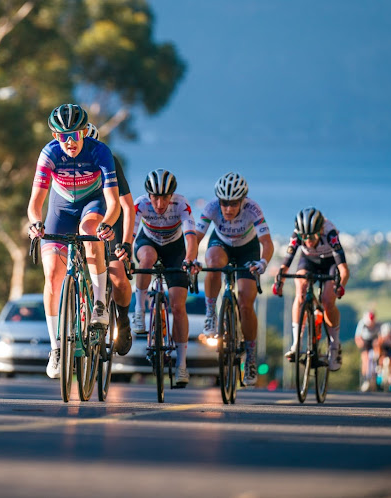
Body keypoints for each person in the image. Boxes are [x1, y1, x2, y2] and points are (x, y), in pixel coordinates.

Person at [27, 104, 120, 379]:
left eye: (75, 135)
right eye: (63, 136)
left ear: (84, 133)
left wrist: (107, 225)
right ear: (55, 136)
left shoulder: (99, 151)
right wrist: (35, 223)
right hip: (60, 209)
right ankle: (56, 348)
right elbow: (35, 202)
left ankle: (99, 304)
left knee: (90, 231)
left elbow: (113, 202)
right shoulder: (49, 154)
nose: (70, 142)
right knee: (53, 276)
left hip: (91, 203)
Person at [195, 172, 274, 387]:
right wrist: (190, 258)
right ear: (218, 201)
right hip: (221, 244)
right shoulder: (211, 208)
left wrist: (263, 263)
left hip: (247, 250)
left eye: (234, 203)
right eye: (224, 203)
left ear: (242, 201)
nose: (228, 208)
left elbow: (267, 242)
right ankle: (211, 313)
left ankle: (250, 356)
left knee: (246, 304)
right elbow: (196, 237)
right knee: (212, 262)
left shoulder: (253, 209)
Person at [132, 169, 199, 386]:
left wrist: (189, 259)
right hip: (148, 242)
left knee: (178, 306)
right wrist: (123, 249)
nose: (160, 203)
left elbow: (190, 237)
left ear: (172, 196)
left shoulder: (181, 205)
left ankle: (181, 366)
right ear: (148, 195)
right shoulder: (140, 204)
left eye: (165, 197)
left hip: (175, 249)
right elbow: (131, 233)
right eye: (155, 197)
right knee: (147, 259)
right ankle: (140, 311)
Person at [273, 207, 349, 373]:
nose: (307, 241)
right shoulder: (297, 234)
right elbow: (286, 263)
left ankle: (334, 346)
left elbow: (343, 269)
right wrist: (280, 281)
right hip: (308, 261)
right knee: (300, 291)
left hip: (330, 263)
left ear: (320, 230)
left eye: (312, 237)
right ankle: (296, 343)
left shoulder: (330, 233)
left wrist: (339, 285)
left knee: (328, 301)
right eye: (303, 237)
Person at [84, 123, 134, 355]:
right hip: (87, 219)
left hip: (111, 221)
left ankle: (123, 322)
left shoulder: (109, 161)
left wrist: (127, 243)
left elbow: (127, 206)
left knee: (117, 276)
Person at [355, 309, 380, 390]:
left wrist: (378, 343)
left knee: (377, 355)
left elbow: (380, 336)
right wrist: (361, 344)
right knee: (365, 358)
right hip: (365, 341)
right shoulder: (362, 323)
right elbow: (358, 337)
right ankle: (365, 378)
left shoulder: (378, 324)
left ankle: (376, 373)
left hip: (374, 341)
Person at [376, 321, 391, 391]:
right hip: (383, 353)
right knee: (381, 360)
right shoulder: (380, 338)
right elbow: (378, 348)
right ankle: (380, 373)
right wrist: (380, 355)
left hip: (390, 353)